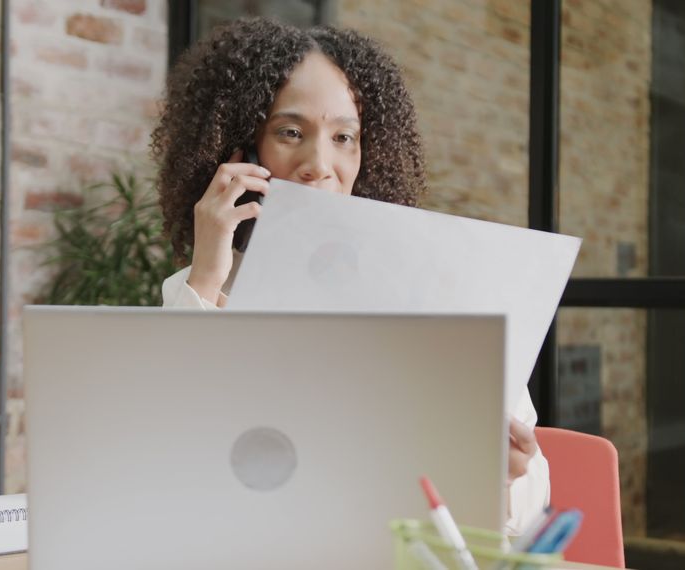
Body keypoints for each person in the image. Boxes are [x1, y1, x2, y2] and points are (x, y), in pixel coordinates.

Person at [150, 17, 548, 536]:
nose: (320, 164)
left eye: (344, 137)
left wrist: (503, 478)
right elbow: (164, 463)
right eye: (290, 132)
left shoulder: (437, 284)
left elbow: (532, 506)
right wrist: (206, 277)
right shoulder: (196, 291)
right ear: (242, 151)